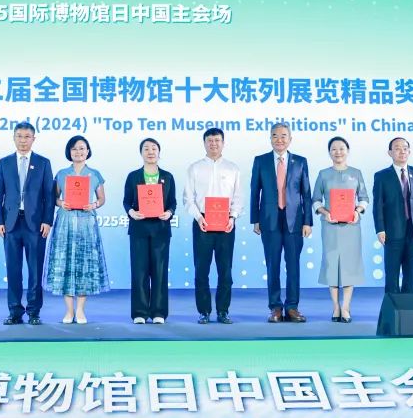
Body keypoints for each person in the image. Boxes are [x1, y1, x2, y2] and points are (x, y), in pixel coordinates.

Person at [250, 122, 313, 324]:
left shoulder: (300, 161)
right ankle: (275, 307)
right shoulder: (260, 161)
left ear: (290, 139)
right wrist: (255, 219)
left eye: (283, 136)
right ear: (270, 138)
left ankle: (292, 307)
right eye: (275, 136)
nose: (279, 139)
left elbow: (306, 194)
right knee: (273, 264)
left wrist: (308, 221)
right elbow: (254, 191)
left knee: (293, 265)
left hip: (295, 221)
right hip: (269, 220)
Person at [0, 122, 55, 325]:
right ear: (14, 138)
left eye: (27, 136)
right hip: (10, 224)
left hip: (35, 224)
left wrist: (47, 221)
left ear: (33, 139)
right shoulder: (4, 163)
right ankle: (15, 312)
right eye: (19, 136)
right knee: (13, 270)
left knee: (35, 270)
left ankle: (34, 312)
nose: (22, 140)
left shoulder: (43, 163)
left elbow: (49, 195)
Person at [45, 135, 110, 324]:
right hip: (65, 223)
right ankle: (69, 311)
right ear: (69, 152)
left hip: (86, 223)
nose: (78, 152)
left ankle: (80, 310)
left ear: (88, 151)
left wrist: (94, 205)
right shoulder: (62, 174)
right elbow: (54, 198)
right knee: (65, 263)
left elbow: (102, 199)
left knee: (84, 264)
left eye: (82, 148)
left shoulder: (94, 174)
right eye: (74, 149)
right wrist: (61, 203)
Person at [183, 127, 244, 324]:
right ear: (204, 143)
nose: (213, 144)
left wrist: (233, 217)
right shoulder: (194, 168)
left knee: (225, 270)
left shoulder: (232, 168)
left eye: (217, 140)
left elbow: (238, 197)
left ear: (223, 143)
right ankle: (204, 311)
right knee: (201, 269)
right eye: (210, 141)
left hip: (226, 223)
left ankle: (223, 311)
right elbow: (188, 198)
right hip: (202, 222)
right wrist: (198, 217)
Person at [311, 137, 369, 323]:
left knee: (350, 265)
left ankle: (346, 306)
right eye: (334, 149)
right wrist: (324, 212)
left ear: (347, 151)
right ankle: (336, 306)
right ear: (329, 152)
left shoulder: (356, 173)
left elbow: (364, 198)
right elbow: (315, 199)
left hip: (351, 227)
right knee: (332, 265)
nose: (338, 152)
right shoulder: (323, 174)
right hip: (330, 227)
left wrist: (358, 211)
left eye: (341, 148)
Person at [123, 138, 177, 324]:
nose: (150, 151)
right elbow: (126, 201)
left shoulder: (168, 176)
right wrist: (131, 212)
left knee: (160, 273)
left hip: (161, 229)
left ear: (159, 152)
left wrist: (169, 213)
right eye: (146, 148)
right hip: (139, 229)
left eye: (154, 148)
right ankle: (140, 312)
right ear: (141, 153)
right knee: (139, 272)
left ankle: (159, 312)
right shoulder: (133, 176)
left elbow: (172, 202)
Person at [372, 137, 413, 294]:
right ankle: (392, 304)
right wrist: (380, 229)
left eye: (405, 148)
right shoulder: (381, 176)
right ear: (390, 153)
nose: (402, 151)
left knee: (411, 272)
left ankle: (409, 304)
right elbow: (377, 205)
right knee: (392, 273)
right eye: (397, 148)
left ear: (409, 151)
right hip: (392, 231)